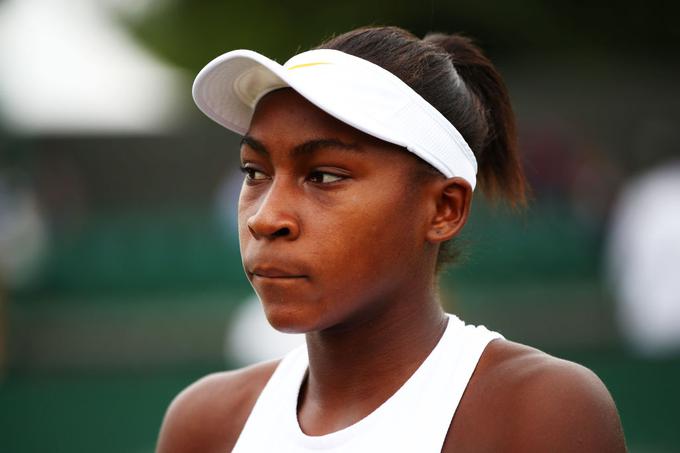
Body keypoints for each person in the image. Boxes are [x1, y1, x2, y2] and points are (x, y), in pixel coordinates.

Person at [156, 26, 626, 452]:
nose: (265, 217)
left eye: (323, 176)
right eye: (254, 171)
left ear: (444, 209)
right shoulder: (206, 424)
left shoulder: (541, 411)